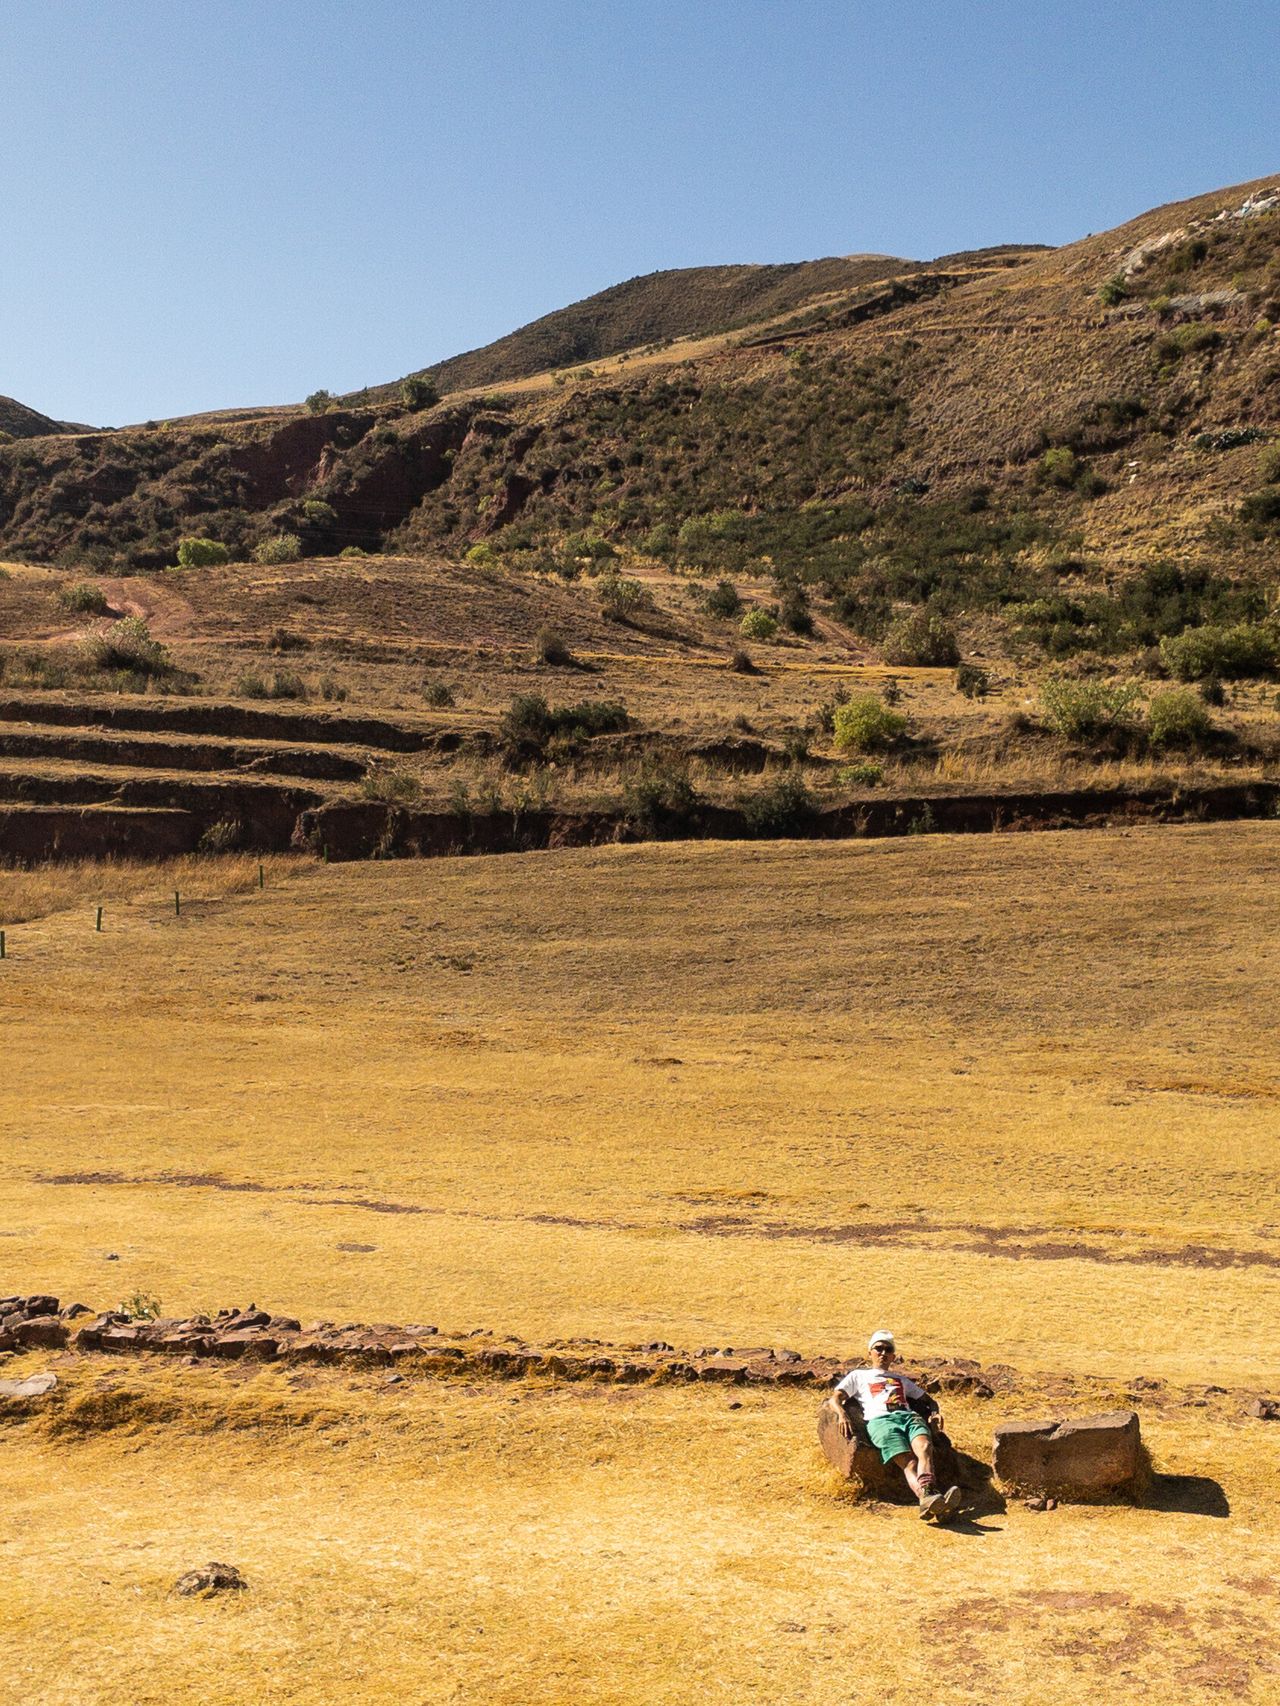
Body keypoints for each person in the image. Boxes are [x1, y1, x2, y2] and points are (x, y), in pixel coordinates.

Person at [830, 1329, 962, 1521]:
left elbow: (929, 1401)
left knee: (925, 1448)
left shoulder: (901, 1380)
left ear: (893, 1355)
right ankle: (931, 1500)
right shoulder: (858, 1376)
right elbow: (835, 1398)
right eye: (878, 1348)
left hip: (909, 1417)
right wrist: (842, 1414)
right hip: (881, 1422)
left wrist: (935, 1412)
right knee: (909, 1463)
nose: (883, 1353)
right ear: (870, 1353)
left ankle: (929, 1500)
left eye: (887, 1349)